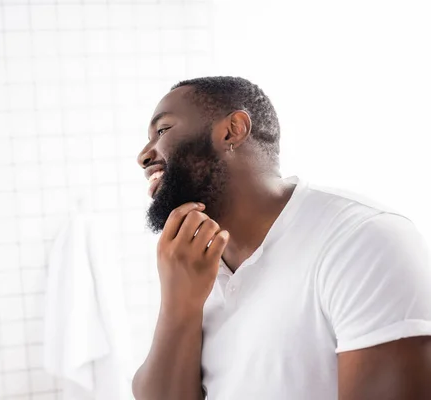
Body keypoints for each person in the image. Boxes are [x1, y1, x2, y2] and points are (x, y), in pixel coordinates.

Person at [133, 76, 431, 400]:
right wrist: (178, 307)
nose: (144, 156)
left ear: (232, 130)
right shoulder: (193, 266)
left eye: (162, 131)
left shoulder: (362, 241)